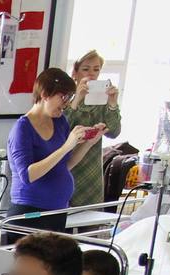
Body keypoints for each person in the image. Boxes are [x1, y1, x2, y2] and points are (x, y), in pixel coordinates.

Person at [6, 68, 99, 232]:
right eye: (63, 97)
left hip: (57, 210)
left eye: (69, 98)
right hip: (30, 212)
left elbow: (65, 165)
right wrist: (66, 147)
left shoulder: (60, 121)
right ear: (45, 94)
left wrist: (89, 143)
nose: (67, 104)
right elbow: (28, 175)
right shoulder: (22, 129)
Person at [64, 50, 122, 209]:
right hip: (64, 164)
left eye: (96, 69)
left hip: (91, 168)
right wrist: (77, 98)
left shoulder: (101, 99)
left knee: (89, 226)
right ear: (75, 72)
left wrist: (112, 104)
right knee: (60, 224)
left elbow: (115, 132)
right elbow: (60, 129)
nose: (91, 74)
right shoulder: (63, 97)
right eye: (86, 69)